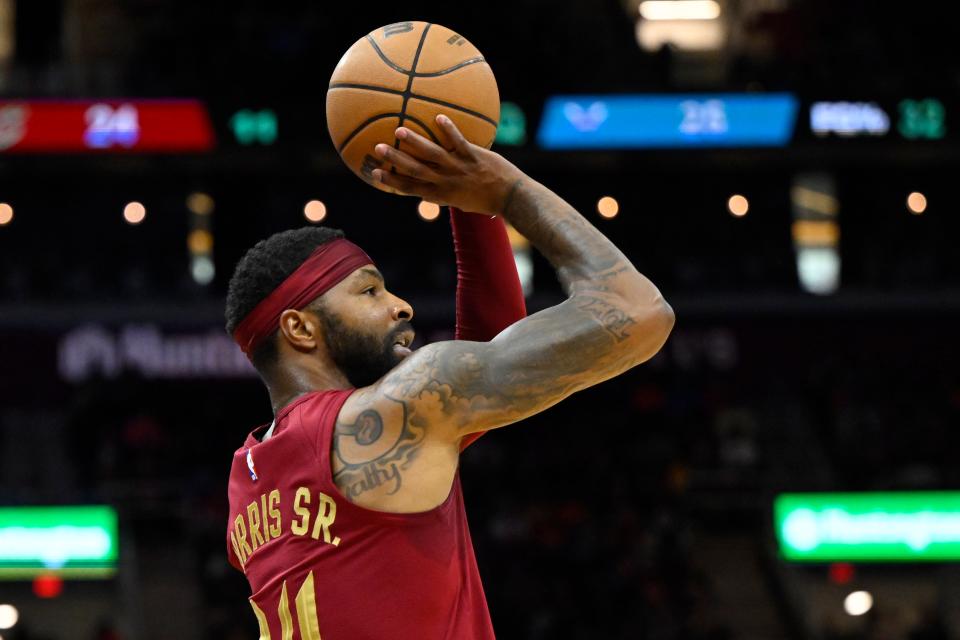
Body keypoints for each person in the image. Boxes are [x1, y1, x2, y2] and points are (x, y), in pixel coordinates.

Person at [223, 114, 675, 639]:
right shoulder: (390, 416)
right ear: (300, 328)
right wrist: (505, 188)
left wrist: (468, 204)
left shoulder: (246, 490)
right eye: (370, 292)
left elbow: (486, 349)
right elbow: (639, 312)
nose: (400, 306)